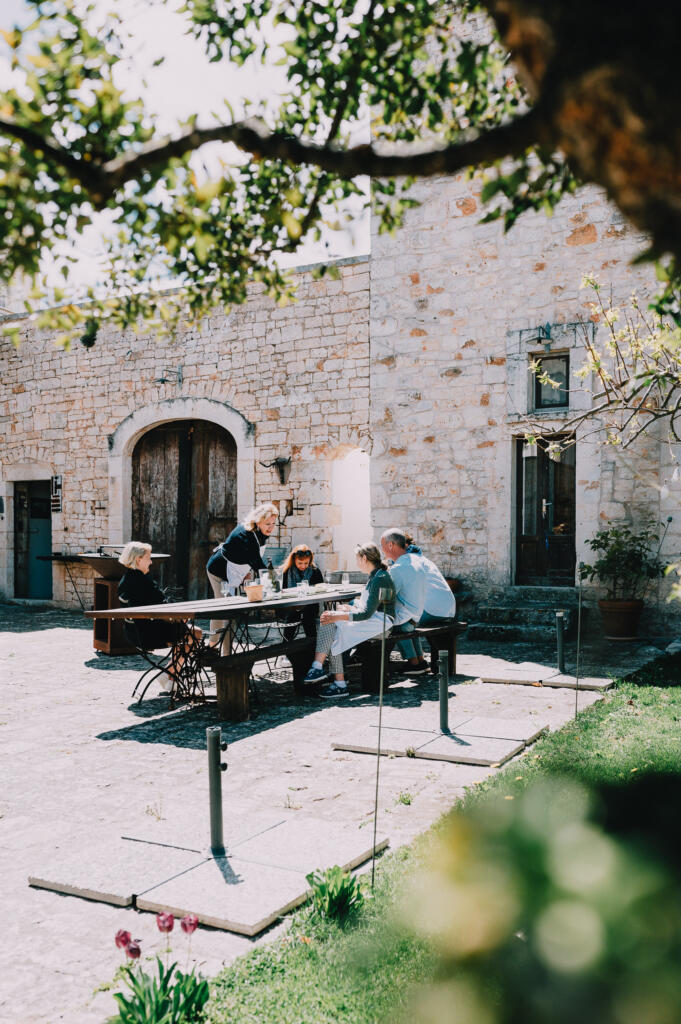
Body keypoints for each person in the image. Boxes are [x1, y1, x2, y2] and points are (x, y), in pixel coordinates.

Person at [304, 542, 396, 698]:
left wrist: (339, 615)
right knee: (331, 621)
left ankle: (327, 674)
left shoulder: (380, 578)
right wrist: (349, 609)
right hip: (376, 620)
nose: (356, 562)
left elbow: (367, 614)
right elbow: (368, 608)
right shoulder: (377, 576)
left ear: (364, 558)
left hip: (381, 624)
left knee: (332, 622)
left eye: (357, 558)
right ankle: (326, 674)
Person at [117, 541, 202, 688]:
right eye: (148, 558)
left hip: (133, 633)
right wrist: (178, 617)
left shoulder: (126, 580)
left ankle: (169, 675)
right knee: (195, 633)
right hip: (149, 634)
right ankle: (170, 673)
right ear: (138, 559)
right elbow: (161, 606)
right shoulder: (142, 581)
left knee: (185, 633)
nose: (150, 562)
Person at [381, 529, 456, 673]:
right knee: (408, 612)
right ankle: (419, 660)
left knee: (399, 616)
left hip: (432, 610)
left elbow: (391, 595)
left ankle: (414, 662)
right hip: (448, 609)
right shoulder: (421, 560)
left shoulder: (406, 564)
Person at [205, 502, 278, 647]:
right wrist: (275, 584)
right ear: (258, 521)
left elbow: (246, 557)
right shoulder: (247, 535)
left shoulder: (260, 532)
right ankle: (212, 648)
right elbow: (258, 564)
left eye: (274, 523)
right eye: (267, 523)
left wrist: (246, 573)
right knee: (223, 611)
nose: (271, 527)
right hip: (219, 570)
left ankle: (224, 652)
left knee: (230, 614)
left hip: (234, 571)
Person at [380, 528, 428, 674]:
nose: (381, 550)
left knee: (385, 620)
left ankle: (413, 663)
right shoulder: (416, 562)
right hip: (416, 617)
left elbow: (385, 597)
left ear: (390, 545)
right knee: (400, 617)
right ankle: (419, 660)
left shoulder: (398, 568)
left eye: (382, 545)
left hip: (406, 621)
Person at [279, 544, 324, 639]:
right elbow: (281, 591)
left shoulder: (315, 571)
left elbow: (320, 588)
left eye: (306, 563)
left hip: (310, 604)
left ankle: (312, 647)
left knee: (309, 618)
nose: (303, 566)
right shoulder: (286, 572)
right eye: (300, 563)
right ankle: (286, 647)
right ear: (294, 560)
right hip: (290, 605)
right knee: (292, 616)